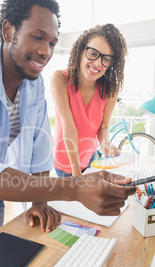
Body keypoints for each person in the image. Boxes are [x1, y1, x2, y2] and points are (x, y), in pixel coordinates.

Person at [0, 0, 136, 265]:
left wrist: (39, 202)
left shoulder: (33, 84)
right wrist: (74, 188)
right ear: (8, 31)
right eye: (37, 37)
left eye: (52, 43)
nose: (45, 51)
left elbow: (39, 149)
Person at [51, 24, 126, 177]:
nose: (97, 64)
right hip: (66, 162)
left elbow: (103, 125)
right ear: (81, 51)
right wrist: (77, 173)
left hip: (90, 157)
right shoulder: (60, 79)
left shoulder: (109, 89)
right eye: (93, 53)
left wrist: (105, 143)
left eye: (106, 59)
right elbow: (69, 127)